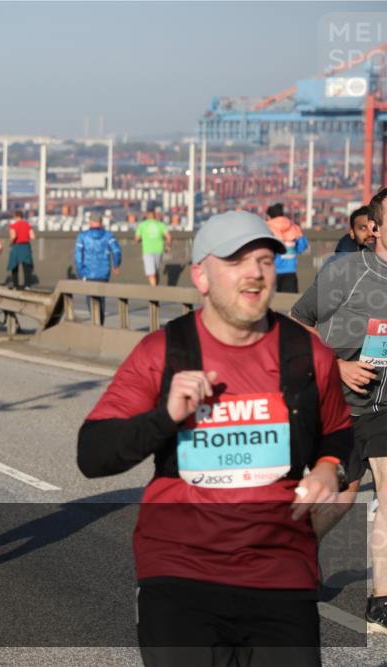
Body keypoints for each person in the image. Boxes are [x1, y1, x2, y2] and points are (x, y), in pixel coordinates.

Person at [77, 210, 353, 666]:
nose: (254, 273)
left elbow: (338, 431)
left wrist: (328, 468)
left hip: (280, 570)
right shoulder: (162, 352)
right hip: (180, 571)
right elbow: (92, 454)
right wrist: (166, 416)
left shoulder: (307, 353)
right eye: (236, 261)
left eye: (264, 261)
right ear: (201, 277)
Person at [291, 186, 387, 633]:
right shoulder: (344, 272)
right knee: (341, 497)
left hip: (384, 407)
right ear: (375, 228)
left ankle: (381, 599)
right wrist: (338, 366)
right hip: (338, 403)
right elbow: (297, 322)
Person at [74, 212, 122, 320]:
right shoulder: (108, 236)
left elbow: (78, 256)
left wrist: (80, 271)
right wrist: (116, 264)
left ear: (90, 221)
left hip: (87, 273)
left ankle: (95, 321)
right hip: (103, 273)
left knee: (90, 299)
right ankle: (100, 321)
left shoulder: (82, 236)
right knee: (101, 299)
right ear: (101, 222)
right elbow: (116, 251)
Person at [266, 203, 308, 293]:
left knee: (272, 300)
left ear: (269, 216)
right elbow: (302, 246)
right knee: (290, 300)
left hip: (272, 272)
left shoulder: (267, 228)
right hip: (290, 271)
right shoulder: (293, 228)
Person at [135, 209, 172, 286]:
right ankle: (155, 289)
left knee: (151, 273)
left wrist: (142, 239)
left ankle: (154, 292)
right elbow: (168, 236)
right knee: (155, 271)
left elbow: (137, 239)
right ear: (155, 215)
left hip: (147, 250)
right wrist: (168, 246)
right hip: (159, 250)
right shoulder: (160, 224)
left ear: (147, 215)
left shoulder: (142, 225)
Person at [7, 210, 37, 290]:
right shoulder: (27, 225)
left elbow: (13, 236)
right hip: (26, 247)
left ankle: (15, 285)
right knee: (26, 267)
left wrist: (9, 243)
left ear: (16, 216)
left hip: (16, 247)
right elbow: (33, 237)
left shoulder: (13, 226)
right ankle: (27, 285)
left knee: (14, 266)